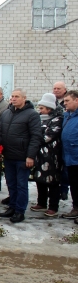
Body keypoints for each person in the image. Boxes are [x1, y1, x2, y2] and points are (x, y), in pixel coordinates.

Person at [0, 88, 42, 223]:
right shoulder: (6, 113)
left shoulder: (32, 114)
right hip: (8, 156)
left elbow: (36, 137)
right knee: (11, 183)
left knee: (21, 184)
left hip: (23, 157)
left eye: (17, 96)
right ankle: (12, 206)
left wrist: (30, 156)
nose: (14, 98)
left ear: (24, 98)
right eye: (12, 96)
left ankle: (19, 211)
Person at [30, 93, 63, 217]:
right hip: (39, 155)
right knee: (40, 179)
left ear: (49, 109)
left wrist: (34, 140)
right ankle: (41, 202)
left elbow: (48, 136)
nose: (40, 110)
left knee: (52, 181)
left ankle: (53, 206)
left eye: (42, 108)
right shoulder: (38, 118)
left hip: (52, 156)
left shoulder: (57, 119)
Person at [60, 90, 78, 221]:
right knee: (74, 185)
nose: (64, 103)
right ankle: (76, 208)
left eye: (67, 101)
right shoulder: (67, 115)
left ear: (76, 100)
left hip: (76, 156)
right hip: (69, 157)